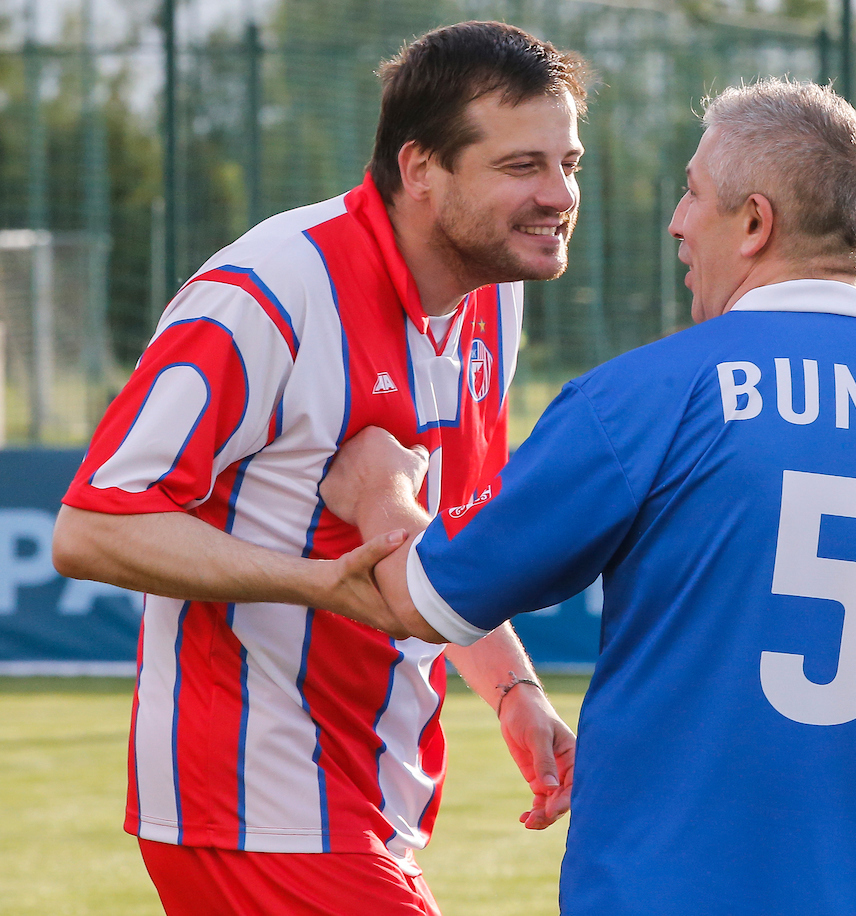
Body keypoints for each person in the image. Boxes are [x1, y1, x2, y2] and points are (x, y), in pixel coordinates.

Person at [317, 79, 856, 915]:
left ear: (755, 223)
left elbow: (425, 603)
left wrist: (382, 488)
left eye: (693, 194)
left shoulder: (643, 399)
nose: (677, 221)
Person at [51, 21, 587, 916]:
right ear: (421, 169)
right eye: (521, 166)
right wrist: (316, 583)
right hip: (252, 805)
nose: (560, 195)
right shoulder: (267, 293)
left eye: (570, 164)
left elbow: (433, 541)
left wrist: (513, 692)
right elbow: (92, 525)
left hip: (373, 800)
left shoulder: (495, 300)